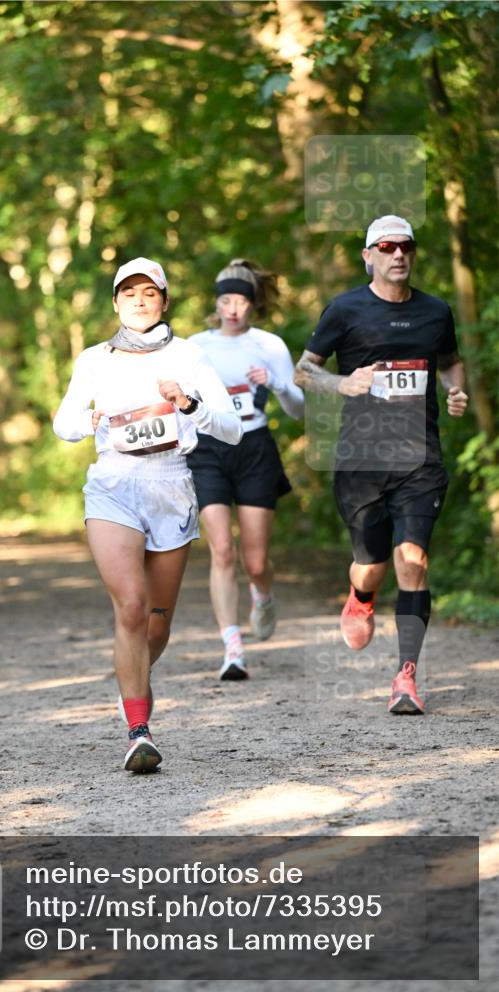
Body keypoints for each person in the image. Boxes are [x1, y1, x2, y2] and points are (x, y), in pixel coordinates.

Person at [53, 257, 243, 773]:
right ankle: (139, 730)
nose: (139, 301)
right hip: (113, 485)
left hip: (171, 486)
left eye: (149, 293)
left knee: (156, 625)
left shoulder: (189, 354)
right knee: (132, 608)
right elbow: (63, 422)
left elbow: (231, 429)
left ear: (164, 300)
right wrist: (87, 419)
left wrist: (188, 403)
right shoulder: (95, 358)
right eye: (129, 293)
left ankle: (132, 676)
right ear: (115, 302)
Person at [294, 215, 468, 715]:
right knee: (371, 568)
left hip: (420, 459)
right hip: (361, 461)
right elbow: (304, 372)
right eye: (387, 247)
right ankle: (360, 596)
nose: (398, 255)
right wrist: (343, 383)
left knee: (412, 559)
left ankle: (406, 675)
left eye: (406, 247)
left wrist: (455, 389)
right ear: (368, 256)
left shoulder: (435, 311)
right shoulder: (345, 309)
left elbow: (450, 361)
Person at [187, 260, 304, 680]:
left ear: (253, 303)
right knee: (222, 550)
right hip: (207, 451)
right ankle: (232, 647)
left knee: (255, 562)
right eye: (226, 301)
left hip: (254, 449)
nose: (233, 309)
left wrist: (276, 382)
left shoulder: (269, 345)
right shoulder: (194, 347)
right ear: (216, 304)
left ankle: (263, 595)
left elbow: (298, 409)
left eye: (240, 301)